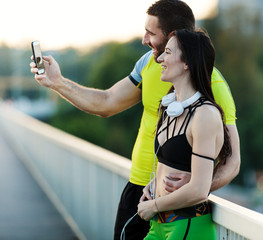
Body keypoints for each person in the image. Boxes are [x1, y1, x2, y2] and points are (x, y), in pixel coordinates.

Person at [29, 1, 240, 239]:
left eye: (151, 33)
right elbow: (107, 102)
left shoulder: (214, 87)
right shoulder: (148, 64)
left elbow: (232, 161)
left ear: (172, 36)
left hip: (177, 210)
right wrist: (57, 82)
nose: (143, 39)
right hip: (140, 193)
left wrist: (192, 187)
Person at [137, 29, 228, 240]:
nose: (160, 58)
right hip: (158, 224)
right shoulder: (171, 107)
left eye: (167, 52)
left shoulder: (205, 115)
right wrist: (153, 186)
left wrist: (155, 204)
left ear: (187, 62)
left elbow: (198, 189)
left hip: (186, 226)